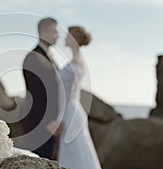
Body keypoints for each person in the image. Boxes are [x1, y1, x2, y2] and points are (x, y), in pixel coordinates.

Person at [57, 26, 102, 169]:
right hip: (74, 110)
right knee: (78, 152)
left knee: (73, 152)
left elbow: (68, 94)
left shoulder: (75, 61)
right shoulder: (77, 59)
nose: (64, 37)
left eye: (68, 35)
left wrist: (59, 119)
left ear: (74, 38)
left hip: (70, 111)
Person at [21, 17, 61, 160]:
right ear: (44, 32)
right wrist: (48, 122)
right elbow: (37, 94)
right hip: (39, 125)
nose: (58, 35)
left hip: (48, 124)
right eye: (55, 32)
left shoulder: (47, 57)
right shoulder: (34, 58)